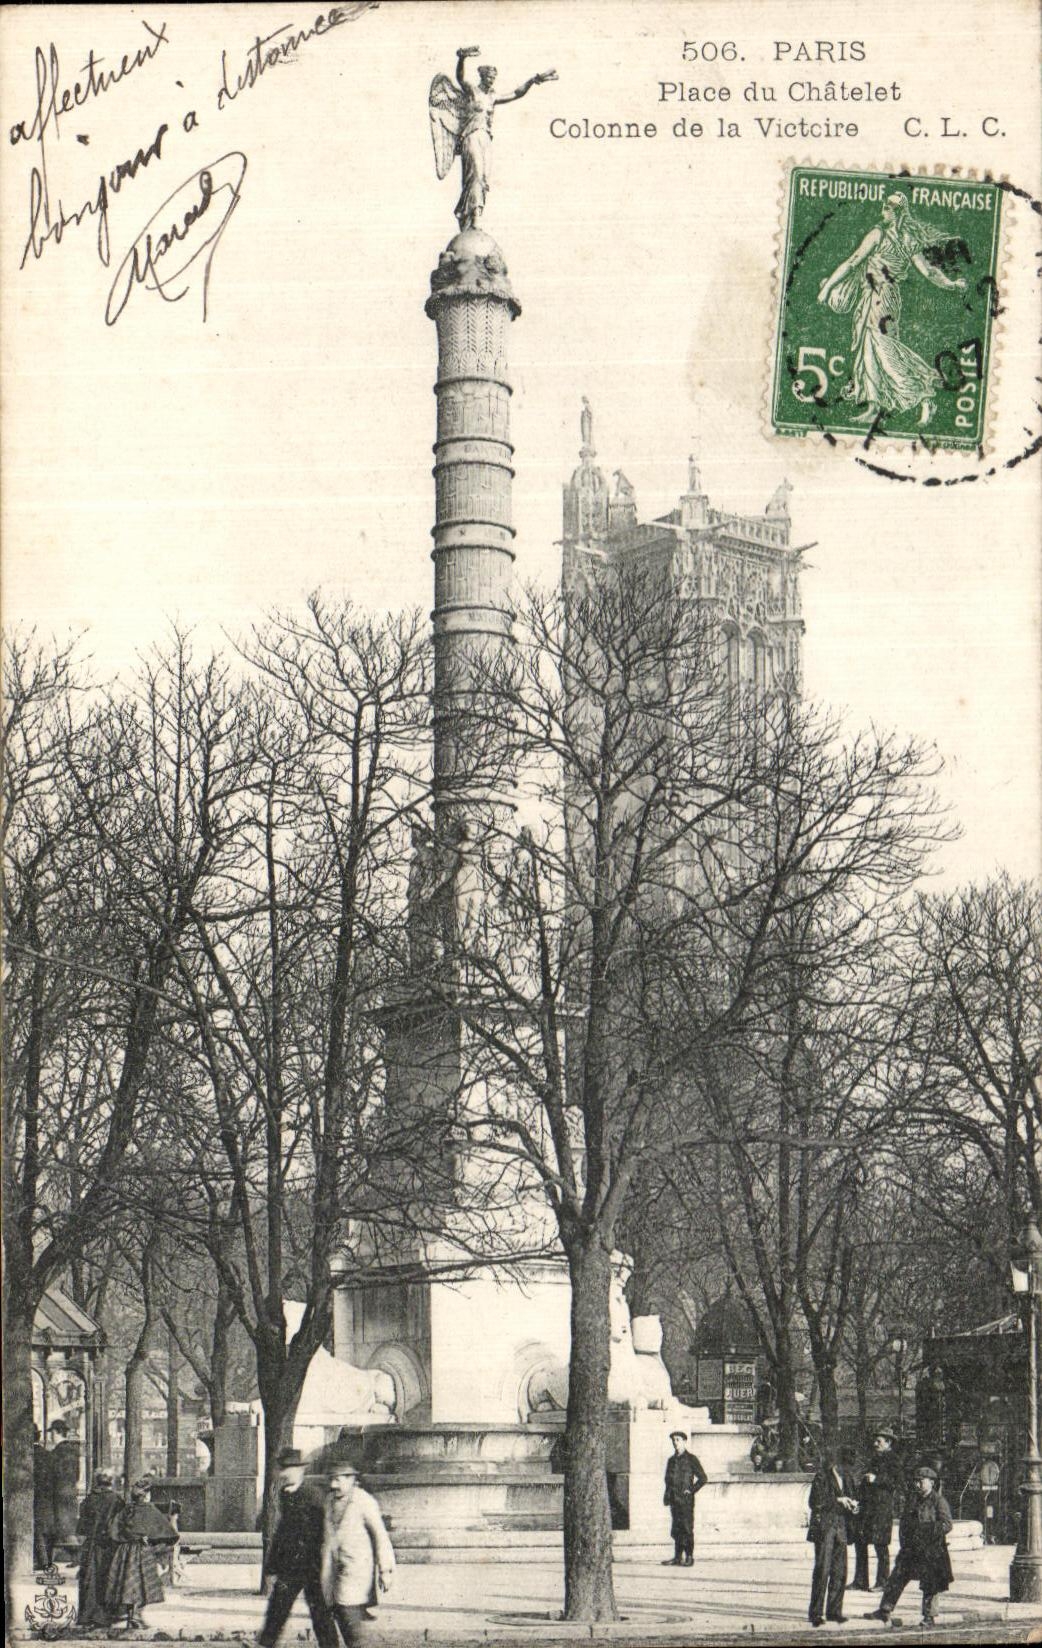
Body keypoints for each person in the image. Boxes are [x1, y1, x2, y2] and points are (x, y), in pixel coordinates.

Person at [816, 192, 967, 427]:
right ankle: (874, 407)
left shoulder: (879, 234)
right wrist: (951, 284)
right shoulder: (909, 240)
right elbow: (929, 272)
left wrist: (827, 289)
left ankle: (923, 395)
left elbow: (853, 261)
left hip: (879, 298)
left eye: (886, 207)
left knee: (884, 352)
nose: (882, 212)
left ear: (896, 212)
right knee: (870, 351)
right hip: (885, 298)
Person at [428, 48, 558, 232]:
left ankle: (472, 214)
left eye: (493, 78)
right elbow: (460, 78)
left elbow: (516, 94)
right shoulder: (472, 92)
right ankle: (471, 216)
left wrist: (533, 80)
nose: (491, 81)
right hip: (471, 136)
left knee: (483, 178)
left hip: (485, 139)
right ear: (482, 77)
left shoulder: (492, 97)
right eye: (489, 77)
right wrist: (462, 58)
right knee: (475, 173)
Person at [257, 1448, 337, 1648]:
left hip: (312, 1565)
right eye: (283, 1469)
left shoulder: (313, 1495)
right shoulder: (285, 1495)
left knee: (320, 1613)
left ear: (300, 1470)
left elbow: (324, 1531)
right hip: (290, 1566)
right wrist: (272, 1565)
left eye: (289, 1469)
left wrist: (323, 1564)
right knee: (277, 1608)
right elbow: (282, 1532)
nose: (285, 1473)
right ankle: (265, 1644)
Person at [865, 1463, 953, 1629]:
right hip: (911, 1549)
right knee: (896, 1578)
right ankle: (884, 1610)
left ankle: (929, 1616)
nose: (917, 1484)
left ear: (931, 1482)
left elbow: (947, 1524)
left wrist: (927, 1531)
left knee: (930, 1583)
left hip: (931, 1550)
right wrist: (905, 1542)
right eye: (916, 1481)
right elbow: (905, 1523)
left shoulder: (938, 1501)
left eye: (921, 1481)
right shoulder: (913, 1499)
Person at [319, 1455, 395, 1645]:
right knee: (340, 1616)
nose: (333, 1485)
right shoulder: (329, 1501)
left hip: (356, 1571)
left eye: (338, 1479)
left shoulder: (363, 1501)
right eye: (331, 1479)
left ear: (351, 1479)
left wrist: (385, 1570)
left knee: (350, 1619)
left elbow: (380, 1535)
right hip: (332, 1572)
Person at [104, 1477, 177, 1630]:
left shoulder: (126, 1510)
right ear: (147, 1495)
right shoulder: (150, 1510)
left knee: (128, 1584)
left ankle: (131, 1616)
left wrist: (127, 1537)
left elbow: (112, 1531)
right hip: (144, 1552)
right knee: (143, 1585)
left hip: (125, 1553)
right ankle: (136, 1616)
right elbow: (170, 1534)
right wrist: (155, 1543)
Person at [806, 1449, 860, 1627]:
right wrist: (838, 1500)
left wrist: (854, 1506)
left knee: (839, 1571)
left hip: (841, 1529)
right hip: (825, 1529)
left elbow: (855, 1498)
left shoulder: (848, 1479)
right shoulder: (822, 1477)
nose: (849, 1470)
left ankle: (834, 1611)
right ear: (838, 1464)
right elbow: (815, 1502)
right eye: (847, 1466)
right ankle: (816, 1613)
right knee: (822, 1571)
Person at [851, 1429, 902, 1590]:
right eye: (875, 1441)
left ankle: (883, 1582)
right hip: (867, 1509)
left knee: (881, 1546)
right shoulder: (875, 1459)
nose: (875, 1444)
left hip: (881, 1509)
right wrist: (857, 1499)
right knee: (860, 1543)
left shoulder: (894, 1460)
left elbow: (897, 1482)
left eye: (879, 1441)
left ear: (888, 1442)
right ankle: (860, 1581)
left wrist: (877, 1479)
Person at [76, 1468, 125, 1628]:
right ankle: (105, 1616)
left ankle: (86, 1615)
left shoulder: (89, 1499)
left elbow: (81, 1527)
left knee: (89, 1578)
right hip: (110, 1546)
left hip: (91, 1545)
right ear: (111, 1481)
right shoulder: (117, 1500)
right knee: (108, 1577)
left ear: (97, 1481)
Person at [662, 1430, 708, 1567]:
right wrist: (667, 1495)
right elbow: (667, 1480)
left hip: (686, 1501)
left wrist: (691, 1490)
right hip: (674, 1500)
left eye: (678, 1440)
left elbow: (703, 1478)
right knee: (676, 1529)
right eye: (673, 1440)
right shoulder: (671, 1460)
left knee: (687, 1528)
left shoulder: (691, 1459)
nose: (675, 1443)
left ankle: (689, 1557)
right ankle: (677, 1557)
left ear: (684, 1441)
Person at [33, 1425, 53, 1568]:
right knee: (44, 1529)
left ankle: (41, 1561)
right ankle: (46, 1560)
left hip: (35, 1496)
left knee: (37, 1529)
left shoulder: (28, 1456)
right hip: (47, 1497)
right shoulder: (47, 1454)